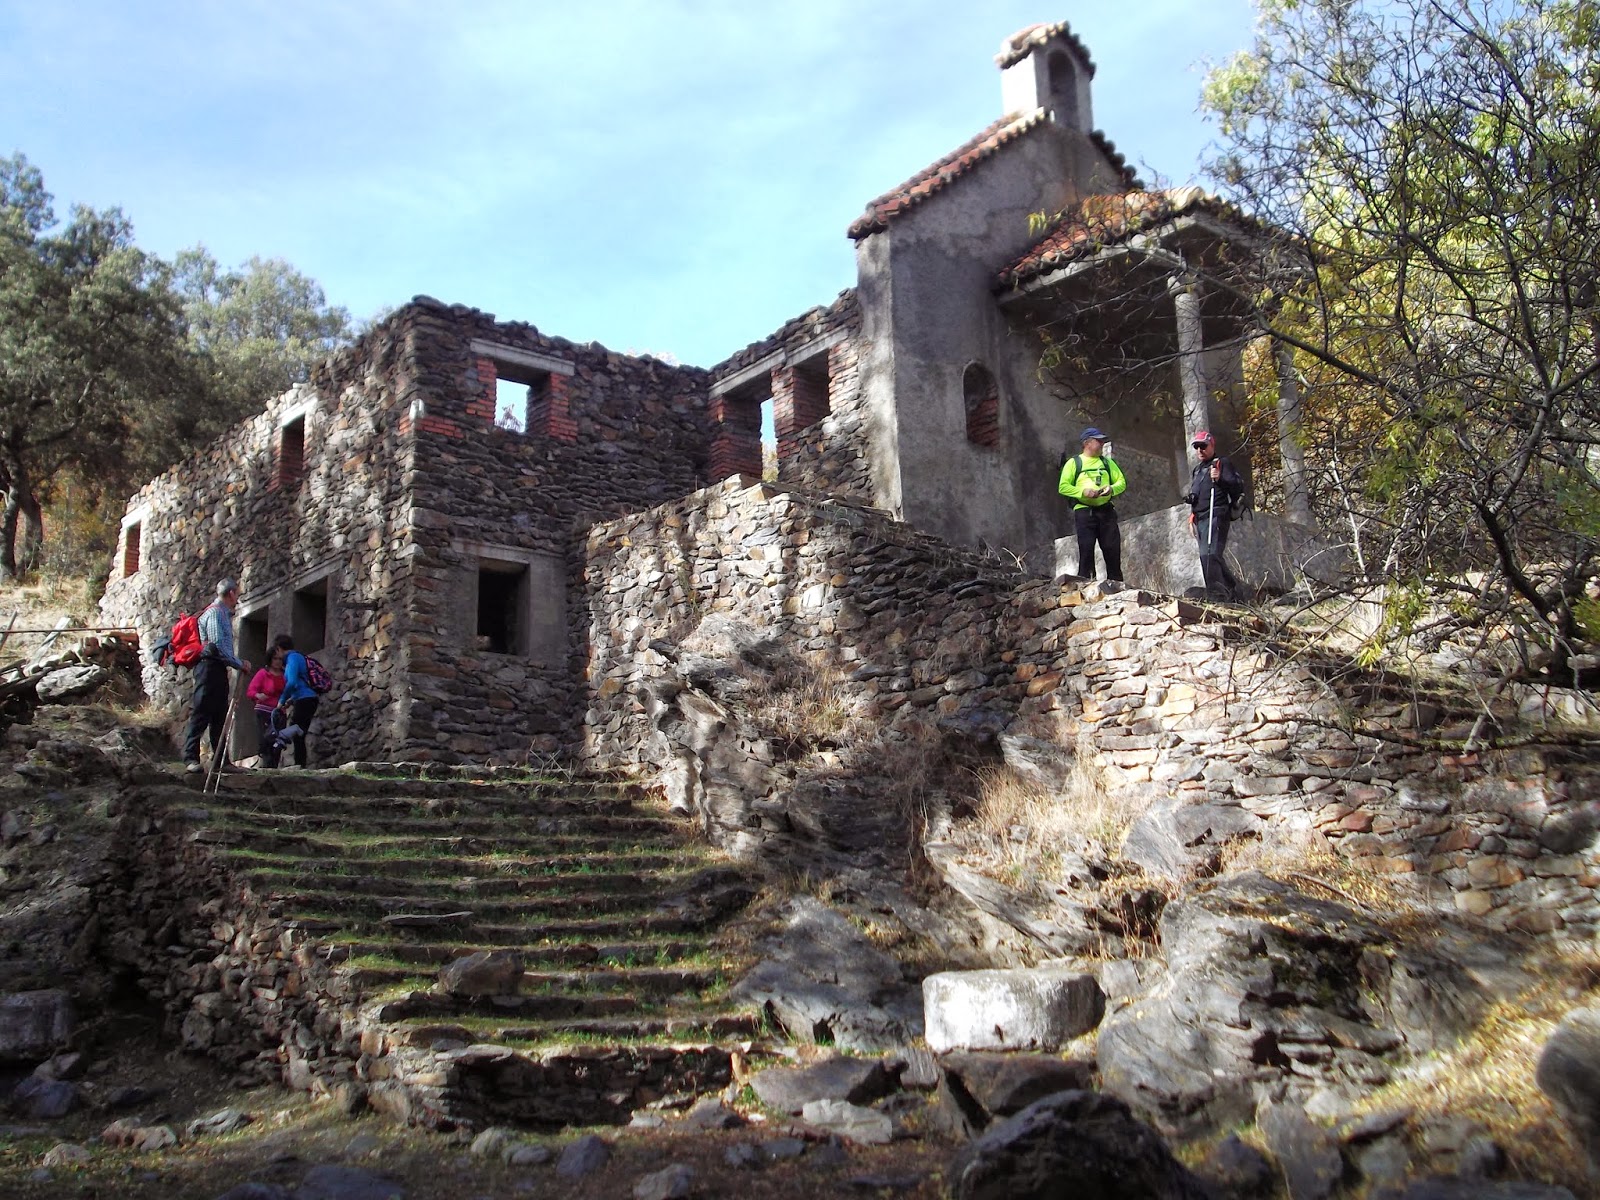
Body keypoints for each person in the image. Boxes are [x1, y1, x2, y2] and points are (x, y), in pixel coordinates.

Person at [183, 578, 251, 774]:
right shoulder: (215, 613)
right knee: (202, 712)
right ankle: (190, 758)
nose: (237, 599)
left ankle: (222, 760)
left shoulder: (221, 614)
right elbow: (217, 647)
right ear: (230, 594)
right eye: (236, 594)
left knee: (219, 714)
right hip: (208, 668)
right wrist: (239, 664)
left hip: (218, 669)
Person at [1184, 430, 1246, 601]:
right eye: (1196, 447)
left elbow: (1237, 488)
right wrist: (1191, 517)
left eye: (1203, 446)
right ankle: (1234, 593)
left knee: (1210, 555)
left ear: (1212, 445)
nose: (1199, 450)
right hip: (1200, 517)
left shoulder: (1221, 463)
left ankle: (1217, 596)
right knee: (1210, 556)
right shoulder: (1197, 470)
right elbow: (1196, 495)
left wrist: (1220, 479)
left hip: (1217, 514)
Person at [1059, 426, 1127, 581]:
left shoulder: (1107, 463)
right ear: (1087, 443)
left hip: (1106, 512)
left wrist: (1111, 489)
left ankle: (1116, 583)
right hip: (1084, 512)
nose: (1102, 444)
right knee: (1086, 548)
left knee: (1112, 549)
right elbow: (1063, 487)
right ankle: (1085, 583)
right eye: (1099, 441)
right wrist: (1083, 492)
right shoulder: (1074, 463)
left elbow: (1121, 482)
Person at [273, 633, 319, 769]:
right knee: (299, 732)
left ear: (279, 648)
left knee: (296, 729)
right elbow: (300, 684)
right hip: (305, 698)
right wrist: (291, 700)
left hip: (305, 700)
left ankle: (298, 763)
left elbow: (292, 682)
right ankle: (300, 764)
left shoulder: (292, 658)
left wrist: (282, 700)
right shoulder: (297, 657)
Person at [246, 643, 288, 768]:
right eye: (275, 658)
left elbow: (290, 691)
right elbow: (250, 691)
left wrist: (288, 701)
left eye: (280, 659)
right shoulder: (263, 674)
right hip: (263, 711)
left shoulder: (285, 675)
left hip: (279, 713)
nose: (278, 662)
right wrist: (258, 696)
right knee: (265, 740)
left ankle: (273, 768)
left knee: (278, 742)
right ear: (270, 659)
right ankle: (266, 766)